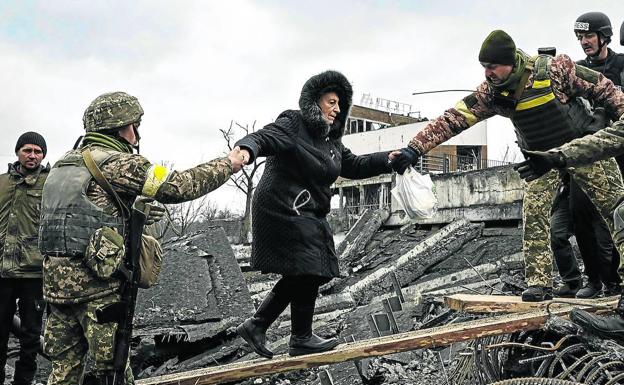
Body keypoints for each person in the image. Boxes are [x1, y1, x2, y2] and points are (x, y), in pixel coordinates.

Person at [391, 29, 624, 302]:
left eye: (492, 67)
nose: (487, 74)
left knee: (617, 209)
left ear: (511, 62)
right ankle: (539, 283)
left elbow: (604, 88)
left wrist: (613, 120)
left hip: (583, 151)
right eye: (483, 68)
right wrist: (414, 148)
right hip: (540, 161)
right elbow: (453, 119)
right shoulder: (491, 94)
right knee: (534, 214)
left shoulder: (554, 70)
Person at [39, 91, 246, 385]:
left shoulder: (63, 165)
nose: (136, 132)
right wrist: (228, 162)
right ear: (122, 126)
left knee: (63, 372)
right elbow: (178, 185)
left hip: (56, 290)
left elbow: (80, 215)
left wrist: (130, 213)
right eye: (134, 124)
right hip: (98, 292)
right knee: (112, 373)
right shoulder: (120, 163)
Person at [234, 70, 399, 358]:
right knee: (309, 266)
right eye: (331, 102)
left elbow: (355, 166)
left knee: (311, 269)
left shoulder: (331, 142)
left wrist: (388, 160)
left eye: (340, 105)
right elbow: (264, 137)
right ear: (314, 101)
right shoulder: (294, 123)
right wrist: (245, 151)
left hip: (306, 211)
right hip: (281, 207)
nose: (336, 110)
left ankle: (268, 328)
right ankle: (294, 335)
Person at [515, 117, 624, 339]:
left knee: (613, 224)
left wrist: (596, 118)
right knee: (569, 230)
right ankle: (588, 282)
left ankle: (611, 283)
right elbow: (610, 137)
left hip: (596, 170)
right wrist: (557, 158)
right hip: (569, 177)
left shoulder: (576, 90)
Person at [0, 132, 49, 385]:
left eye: (38, 151)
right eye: (27, 150)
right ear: (18, 152)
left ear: (43, 155)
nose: (32, 155)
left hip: (35, 273)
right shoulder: (2, 183)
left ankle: (23, 382)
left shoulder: (51, 185)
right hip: (2, 273)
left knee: (30, 336)